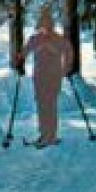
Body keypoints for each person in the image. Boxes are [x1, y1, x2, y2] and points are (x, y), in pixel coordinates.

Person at [24, 8, 74, 148]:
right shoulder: (34, 39)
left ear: (51, 25)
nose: (44, 28)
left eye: (47, 25)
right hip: (38, 77)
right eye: (42, 25)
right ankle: (44, 134)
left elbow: (69, 52)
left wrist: (67, 68)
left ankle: (50, 135)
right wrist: (19, 60)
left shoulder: (58, 39)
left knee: (50, 105)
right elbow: (25, 51)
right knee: (41, 105)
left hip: (54, 77)